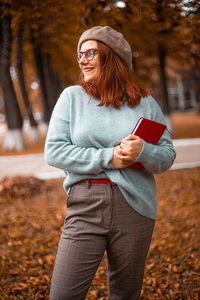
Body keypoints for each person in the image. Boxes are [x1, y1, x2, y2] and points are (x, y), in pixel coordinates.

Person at [45, 25, 176, 300]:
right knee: (63, 295)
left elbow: (166, 156)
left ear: (112, 56)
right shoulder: (72, 98)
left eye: (90, 52)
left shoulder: (146, 102)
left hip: (135, 207)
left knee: (126, 294)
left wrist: (143, 151)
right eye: (79, 54)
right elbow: (54, 151)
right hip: (86, 204)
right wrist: (110, 157)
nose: (82, 59)